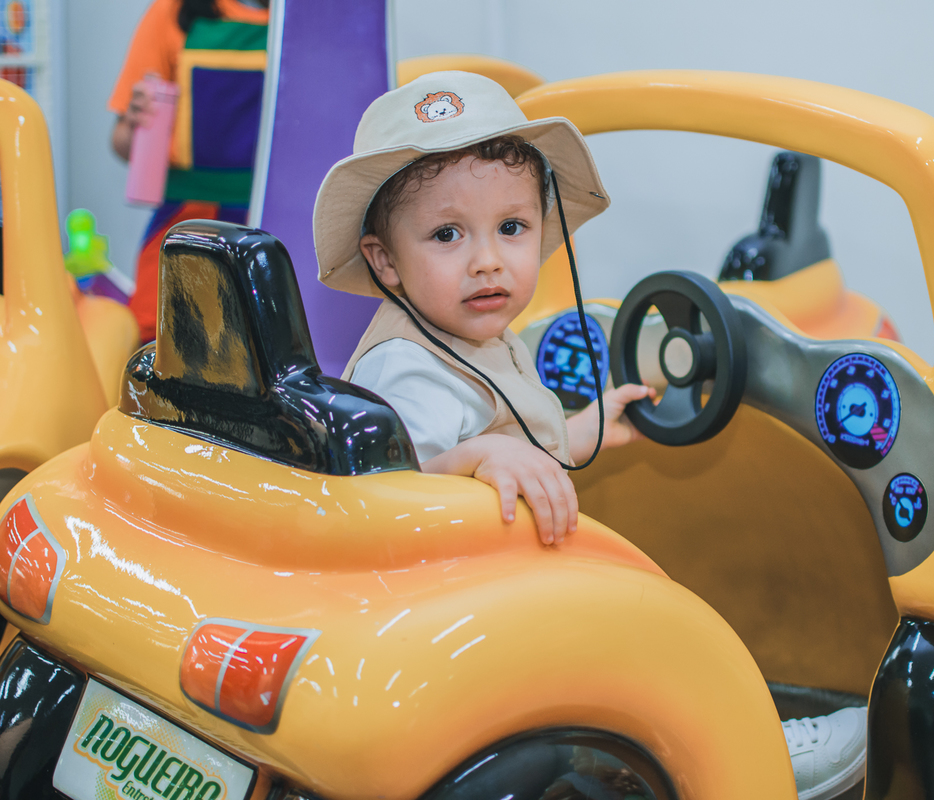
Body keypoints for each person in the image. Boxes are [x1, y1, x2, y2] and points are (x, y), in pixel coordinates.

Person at [314, 71, 868, 800]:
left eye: (511, 228)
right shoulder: (406, 366)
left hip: (504, 594)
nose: (487, 259)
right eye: (448, 234)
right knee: (669, 624)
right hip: (472, 620)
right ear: (385, 260)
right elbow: (390, 497)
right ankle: (754, 751)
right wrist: (475, 457)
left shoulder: (472, 334)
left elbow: (523, 445)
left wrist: (586, 429)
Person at [109, 0, 270, 342]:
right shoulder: (173, 12)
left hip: (276, 224)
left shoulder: (310, 19)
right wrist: (139, 123)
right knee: (162, 344)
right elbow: (120, 140)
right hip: (188, 223)